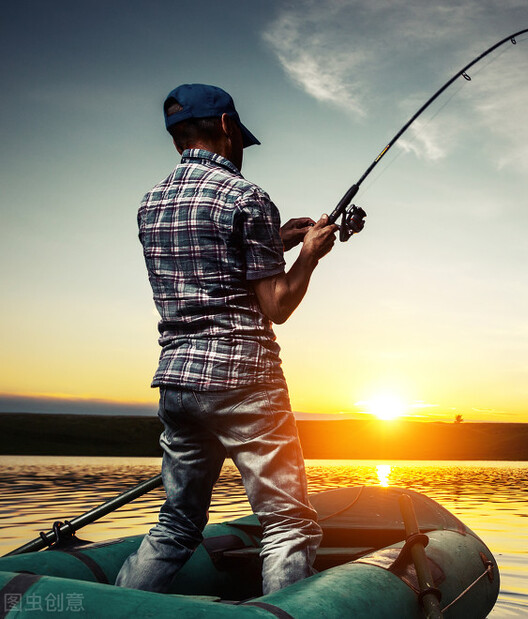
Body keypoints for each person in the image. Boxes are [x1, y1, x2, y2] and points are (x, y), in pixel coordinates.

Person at [116, 83, 337, 594]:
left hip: (178, 382)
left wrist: (274, 240)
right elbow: (277, 305)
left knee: (177, 525)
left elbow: (205, 261)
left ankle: (116, 607)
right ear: (225, 126)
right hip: (245, 381)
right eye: (239, 136)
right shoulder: (246, 197)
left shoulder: (150, 204)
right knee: (287, 523)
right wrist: (309, 254)